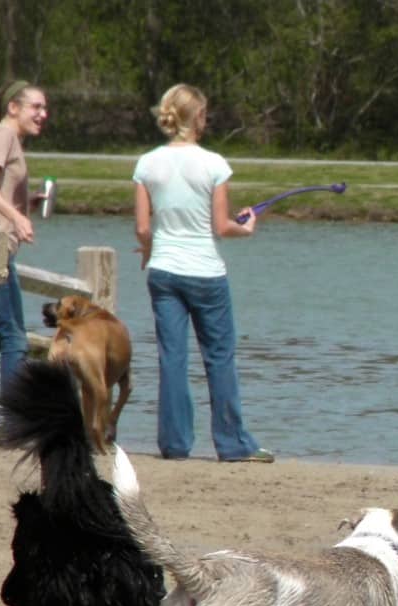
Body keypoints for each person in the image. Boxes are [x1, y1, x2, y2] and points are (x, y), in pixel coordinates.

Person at [133, 83, 273, 463]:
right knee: (219, 357)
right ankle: (233, 445)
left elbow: (144, 229)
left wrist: (148, 253)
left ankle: (174, 445)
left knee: (172, 358)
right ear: (197, 117)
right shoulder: (214, 164)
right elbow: (221, 226)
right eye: (204, 113)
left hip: (163, 271)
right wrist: (245, 227)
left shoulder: (146, 164)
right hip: (206, 274)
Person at [0, 79, 47, 397]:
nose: (43, 113)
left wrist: (22, 205)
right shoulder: (1, 134)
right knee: (15, 337)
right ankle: (15, 417)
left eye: (45, 107)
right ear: (13, 107)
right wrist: (16, 217)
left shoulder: (8, 139)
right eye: (36, 107)